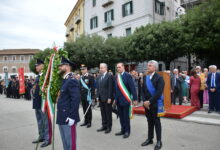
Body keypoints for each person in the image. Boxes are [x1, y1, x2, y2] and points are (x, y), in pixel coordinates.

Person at [56, 56, 80, 150]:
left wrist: (72, 116)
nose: (59, 68)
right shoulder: (65, 80)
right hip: (62, 115)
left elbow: (76, 100)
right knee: (65, 140)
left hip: (68, 116)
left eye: (61, 66)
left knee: (70, 142)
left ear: (67, 66)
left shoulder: (72, 80)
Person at [141, 60, 164, 150]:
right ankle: (150, 139)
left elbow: (159, 92)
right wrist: (144, 101)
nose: (148, 67)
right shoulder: (145, 77)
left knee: (156, 122)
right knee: (149, 122)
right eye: (148, 65)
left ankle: (159, 141)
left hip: (154, 104)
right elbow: (142, 91)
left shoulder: (159, 78)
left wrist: (149, 101)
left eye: (150, 66)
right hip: (146, 104)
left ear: (155, 67)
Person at [114, 62, 137, 139]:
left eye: (119, 67)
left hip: (126, 100)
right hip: (119, 100)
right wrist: (115, 99)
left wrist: (135, 99)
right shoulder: (117, 76)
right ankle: (122, 130)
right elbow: (116, 89)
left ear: (123, 67)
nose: (118, 68)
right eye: (117, 67)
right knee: (121, 117)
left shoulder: (128, 76)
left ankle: (127, 131)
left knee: (126, 117)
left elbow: (133, 88)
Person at [32, 59, 50, 147]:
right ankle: (41, 136)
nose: (36, 67)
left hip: (43, 103)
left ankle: (47, 139)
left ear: (42, 66)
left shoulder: (45, 76)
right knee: (39, 121)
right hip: (37, 103)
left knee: (45, 122)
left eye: (38, 65)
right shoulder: (38, 76)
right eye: (36, 65)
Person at [96, 63, 114, 134]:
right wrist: (97, 96)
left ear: (106, 68)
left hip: (107, 98)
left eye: (102, 68)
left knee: (108, 113)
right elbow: (98, 88)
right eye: (100, 68)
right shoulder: (99, 76)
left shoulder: (109, 76)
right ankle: (104, 125)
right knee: (103, 113)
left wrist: (110, 97)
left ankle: (109, 127)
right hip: (101, 97)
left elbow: (110, 88)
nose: (100, 69)